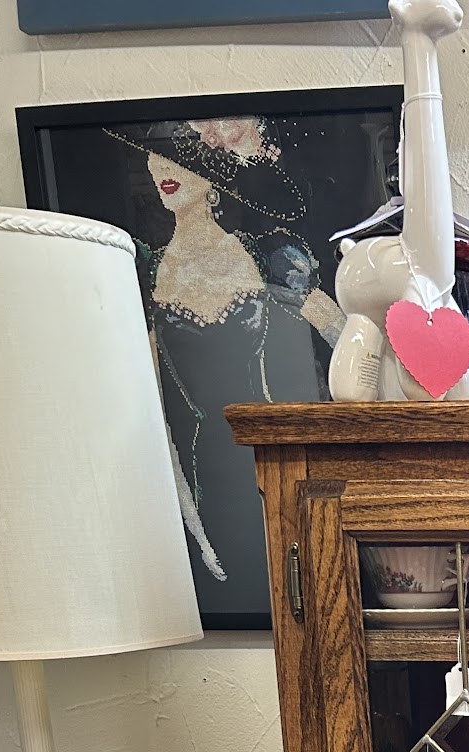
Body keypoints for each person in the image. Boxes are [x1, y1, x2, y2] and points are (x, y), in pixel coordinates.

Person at [109, 118, 342, 610]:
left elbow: (346, 340)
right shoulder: (144, 272)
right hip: (198, 471)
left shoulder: (269, 257)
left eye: (179, 158)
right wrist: (185, 518)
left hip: (271, 461)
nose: (162, 169)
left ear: (213, 170)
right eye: (156, 157)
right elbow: (145, 403)